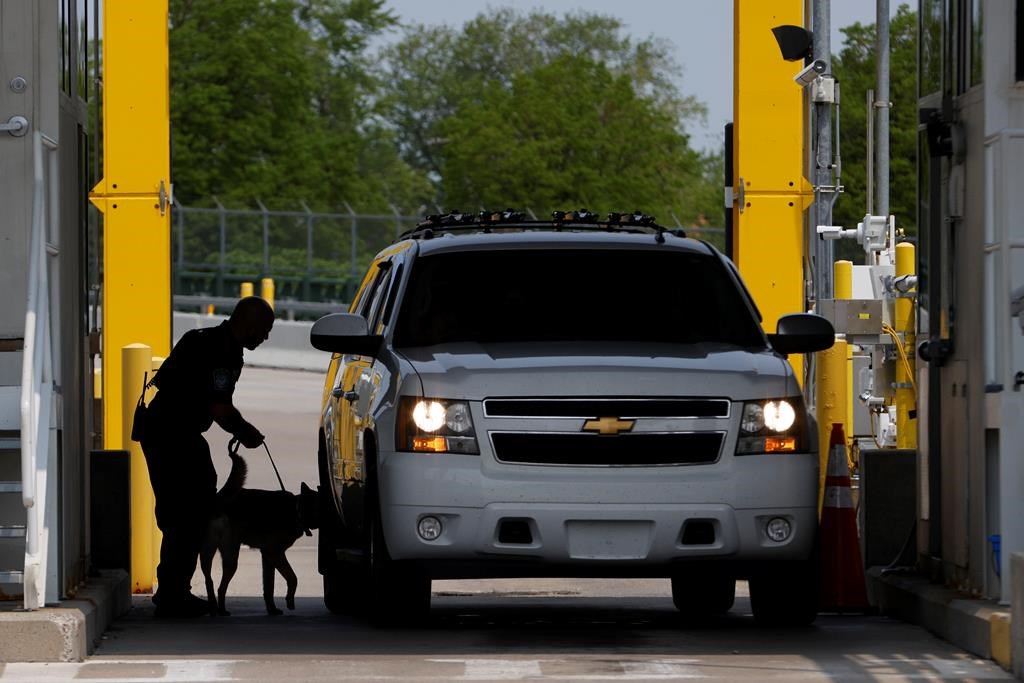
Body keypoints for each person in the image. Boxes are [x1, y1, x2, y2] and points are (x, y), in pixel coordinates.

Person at [140, 296, 274, 618]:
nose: (266, 338)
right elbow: (218, 407)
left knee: (187, 508)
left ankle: (174, 590)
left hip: (166, 430)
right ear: (251, 325)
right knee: (187, 510)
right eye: (265, 331)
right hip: (172, 434)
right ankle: (173, 594)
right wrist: (245, 431)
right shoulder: (223, 351)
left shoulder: (201, 338)